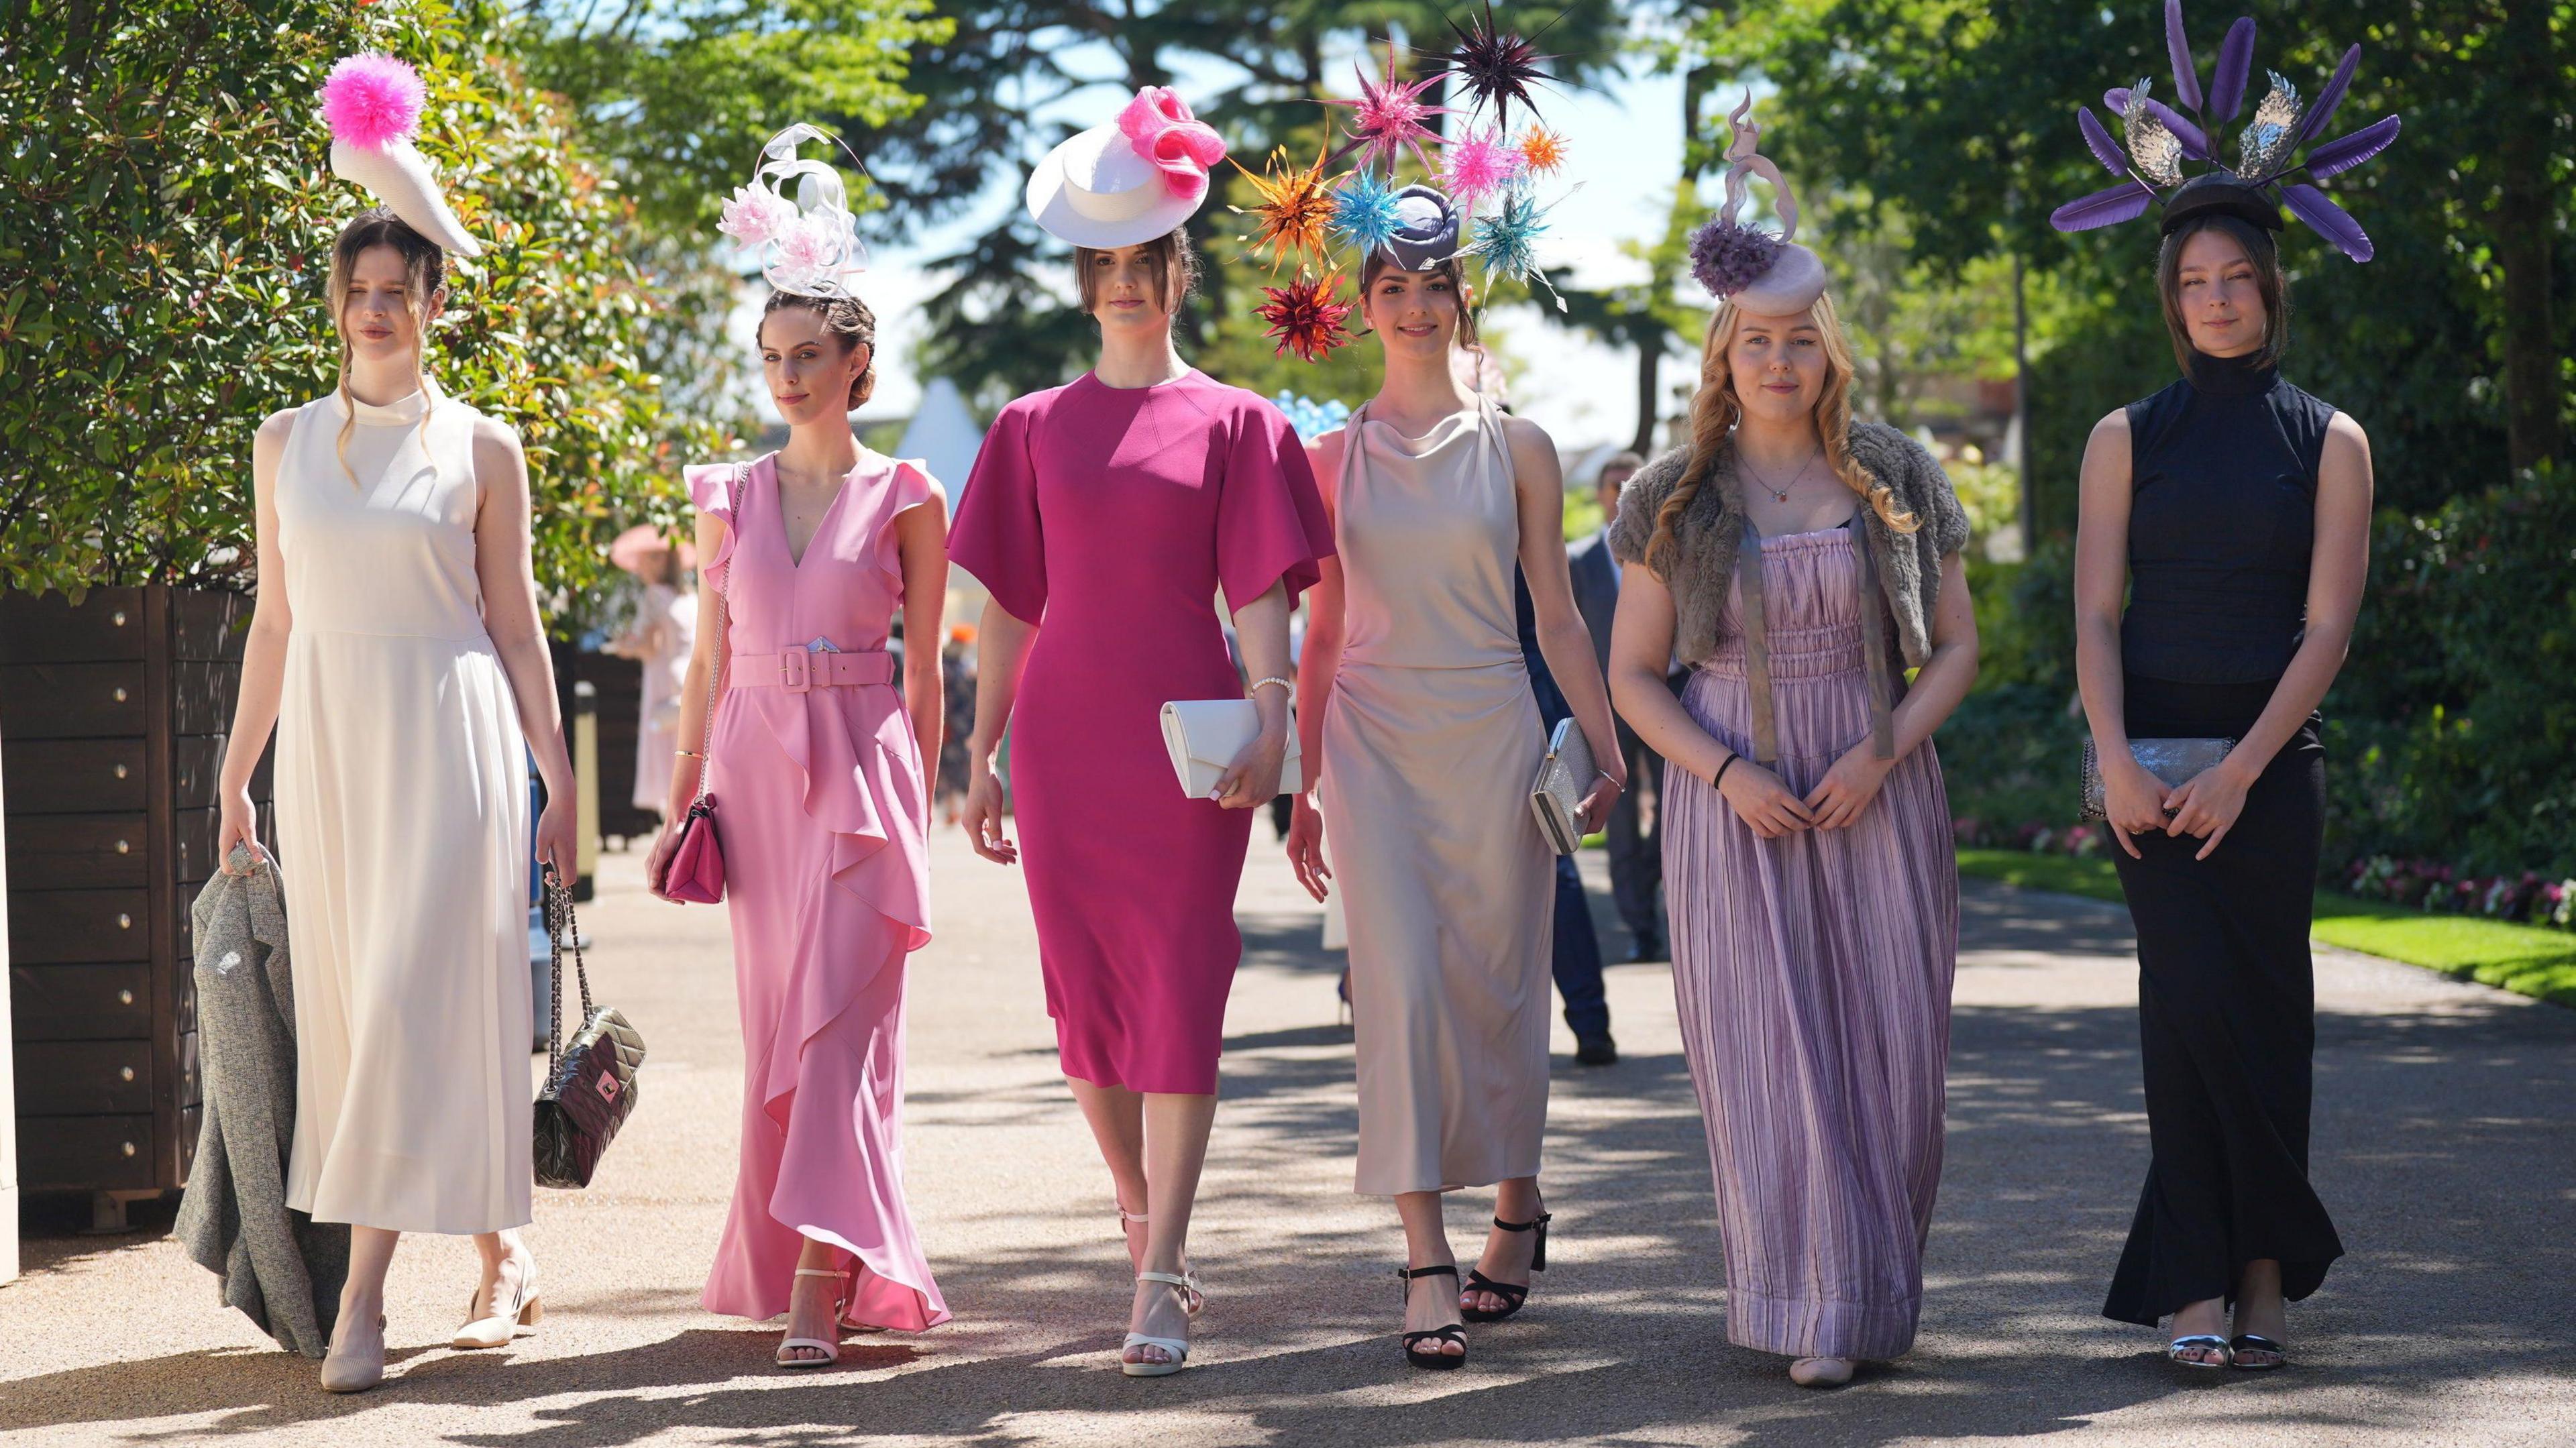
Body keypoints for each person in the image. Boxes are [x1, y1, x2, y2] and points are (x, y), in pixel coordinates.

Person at [950, 85, 1332, 1378]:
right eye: (1104, 266)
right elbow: (1009, 607)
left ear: (1177, 273)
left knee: (1180, 987)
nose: (1125, 285)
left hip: (1190, 745)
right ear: (1084, 281)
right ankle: (1134, 1198)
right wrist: (983, 752)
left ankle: (1162, 1265)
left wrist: (1276, 723)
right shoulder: (1028, 427)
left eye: (1144, 265)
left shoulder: (1238, 422)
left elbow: (1263, 597)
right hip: (1062, 745)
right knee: (1087, 1004)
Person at [213, 56, 575, 1394]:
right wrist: (237, 771)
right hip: (327, 753)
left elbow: (519, 623)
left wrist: (559, 773)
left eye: (396, 292)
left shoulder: (485, 449)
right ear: (340, 304)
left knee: (424, 992)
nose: (375, 311)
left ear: (432, 301)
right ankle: (504, 1250)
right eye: (356, 293)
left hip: (456, 743)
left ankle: (363, 1295)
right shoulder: (281, 441)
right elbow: (272, 620)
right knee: (371, 1013)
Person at [1603, 97, 1976, 1390]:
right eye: (1754, 341)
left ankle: (1868, 1288)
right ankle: (1804, 1296)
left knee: (1890, 1050)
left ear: (1828, 352)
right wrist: (1723, 770)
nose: (1776, 362)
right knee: (1766, 1051)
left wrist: (1884, 751)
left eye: (1798, 342)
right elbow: (1634, 677)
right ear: (1726, 350)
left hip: (1878, 787)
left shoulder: (1896, 472)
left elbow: (1961, 651)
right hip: (1737, 793)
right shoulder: (1673, 494)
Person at [2049, 9, 2389, 1371]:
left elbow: (2328, 626)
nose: (2216, 298)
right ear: (2170, 296)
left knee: (2269, 1014)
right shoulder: (2124, 436)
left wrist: (2246, 765)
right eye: (2193, 279)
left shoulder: (2334, 440)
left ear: (2271, 287)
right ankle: (2197, 1273)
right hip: (2146, 762)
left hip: (2267, 765)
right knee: (2185, 1007)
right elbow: (2091, 608)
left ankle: (2260, 1276)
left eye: (2236, 275)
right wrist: (2119, 757)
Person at [1284, 188, 1625, 1371]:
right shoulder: (1329, 456)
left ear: (1462, 295)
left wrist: (1606, 737)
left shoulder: (1521, 445)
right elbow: (1319, 635)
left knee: (1499, 983)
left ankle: (1517, 1207)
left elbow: (1562, 617)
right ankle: (1425, 1251)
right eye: (1393, 288)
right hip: (1371, 740)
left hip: (1491, 731)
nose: (1416, 306)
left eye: (1435, 285)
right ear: (1362, 307)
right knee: (1401, 991)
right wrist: (1303, 784)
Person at [644, 126, 951, 1367]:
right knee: (781, 1029)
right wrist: (679, 804)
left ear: (857, 362)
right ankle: (796, 1260)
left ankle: (824, 1278)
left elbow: (930, 671)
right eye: (773, 358)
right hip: (751, 781)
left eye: (810, 355)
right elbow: (708, 665)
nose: (788, 376)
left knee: (847, 1033)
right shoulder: (726, 492)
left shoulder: (912, 495)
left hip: (867, 774)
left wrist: (919, 811)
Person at [1568, 450, 1676, 962]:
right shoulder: (1579, 559)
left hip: (1673, 697)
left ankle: (1665, 894)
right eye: (1613, 484)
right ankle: (1640, 928)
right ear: (1600, 494)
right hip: (1608, 708)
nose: (1621, 490)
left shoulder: (1674, 551)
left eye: (1631, 481)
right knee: (1622, 816)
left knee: (1676, 813)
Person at [604, 526, 698, 821]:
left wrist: (623, 648)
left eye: (645, 559)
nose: (640, 567)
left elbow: (647, 645)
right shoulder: (689, 598)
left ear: (659, 561)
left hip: (662, 682)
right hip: (686, 680)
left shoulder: (654, 596)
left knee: (664, 759)